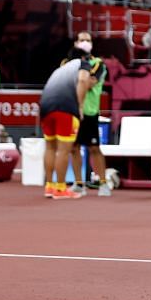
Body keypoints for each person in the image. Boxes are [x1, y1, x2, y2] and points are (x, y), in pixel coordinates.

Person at [39, 54, 98, 199]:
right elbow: (84, 80)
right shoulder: (83, 64)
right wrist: (80, 105)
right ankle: (60, 188)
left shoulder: (60, 70)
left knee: (50, 148)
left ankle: (49, 186)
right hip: (65, 108)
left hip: (45, 107)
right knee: (64, 150)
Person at [67, 33, 112, 197]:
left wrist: (80, 81)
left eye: (88, 40)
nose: (84, 43)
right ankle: (79, 184)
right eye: (81, 40)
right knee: (74, 147)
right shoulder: (67, 63)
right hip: (71, 111)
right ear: (76, 43)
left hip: (90, 112)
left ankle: (103, 183)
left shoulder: (98, 63)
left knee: (94, 148)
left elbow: (90, 82)